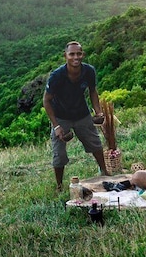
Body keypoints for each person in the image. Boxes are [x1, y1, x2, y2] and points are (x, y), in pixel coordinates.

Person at [43, 41, 108, 192]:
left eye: (78, 53)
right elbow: (46, 100)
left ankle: (105, 173)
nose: (75, 57)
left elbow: (93, 91)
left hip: (81, 113)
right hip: (61, 116)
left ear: (83, 54)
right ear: (65, 56)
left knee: (95, 145)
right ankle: (59, 186)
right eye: (72, 54)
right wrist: (56, 126)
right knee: (59, 154)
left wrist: (98, 112)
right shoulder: (57, 76)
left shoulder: (89, 71)